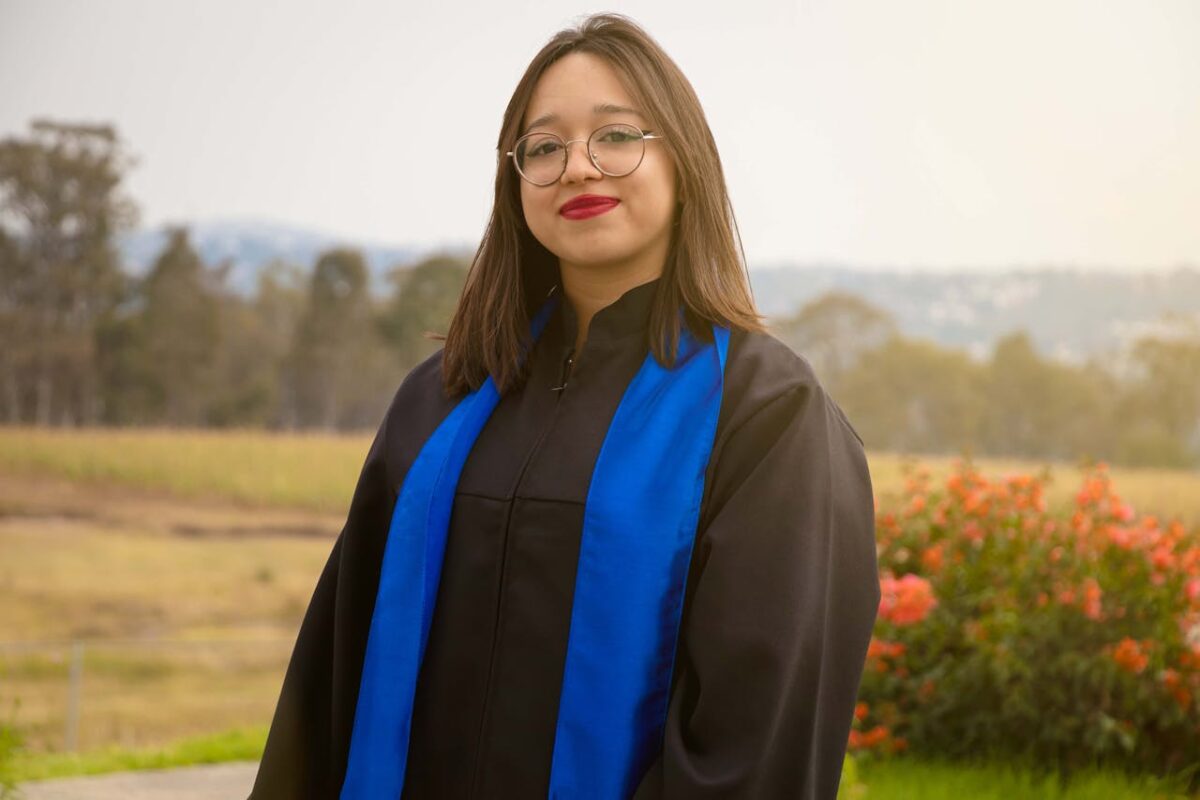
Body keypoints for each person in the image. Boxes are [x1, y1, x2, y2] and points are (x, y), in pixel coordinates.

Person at [250, 12, 880, 800]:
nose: (577, 167)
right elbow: (330, 683)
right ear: (514, 186)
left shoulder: (765, 415)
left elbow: (756, 742)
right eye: (543, 148)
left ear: (682, 157)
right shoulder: (438, 401)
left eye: (615, 136)